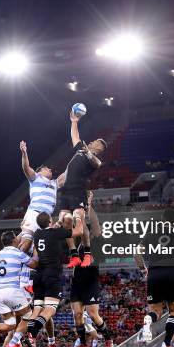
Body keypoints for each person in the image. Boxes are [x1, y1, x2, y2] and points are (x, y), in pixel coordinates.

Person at [15, 212, 75, 347]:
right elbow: (76, 232)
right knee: (50, 309)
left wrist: (59, 222)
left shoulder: (37, 234)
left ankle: (31, 337)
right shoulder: (56, 233)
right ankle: (33, 331)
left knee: (36, 310)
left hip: (38, 276)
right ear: (50, 221)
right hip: (51, 275)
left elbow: (37, 256)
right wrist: (77, 219)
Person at [58, 111, 106, 268]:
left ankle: (87, 253)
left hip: (78, 191)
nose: (92, 142)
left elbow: (98, 164)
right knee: (65, 221)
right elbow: (75, 137)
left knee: (80, 221)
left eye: (96, 143)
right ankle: (73, 255)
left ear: (98, 149)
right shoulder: (80, 149)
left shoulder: (93, 158)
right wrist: (74, 121)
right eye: (94, 141)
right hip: (65, 191)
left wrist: (89, 153)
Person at [135, 208, 174, 347]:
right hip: (171, 274)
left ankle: (149, 320)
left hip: (154, 275)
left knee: (156, 311)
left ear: (162, 219)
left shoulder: (150, 234)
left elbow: (137, 254)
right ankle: (166, 345)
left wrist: (144, 270)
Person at [70, 191, 113, 347]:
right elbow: (79, 225)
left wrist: (89, 204)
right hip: (76, 282)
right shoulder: (80, 242)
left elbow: (93, 222)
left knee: (94, 315)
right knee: (77, 315)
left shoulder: (98, 242)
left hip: (90, 282)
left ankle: (108, 338)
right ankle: (82, 344)